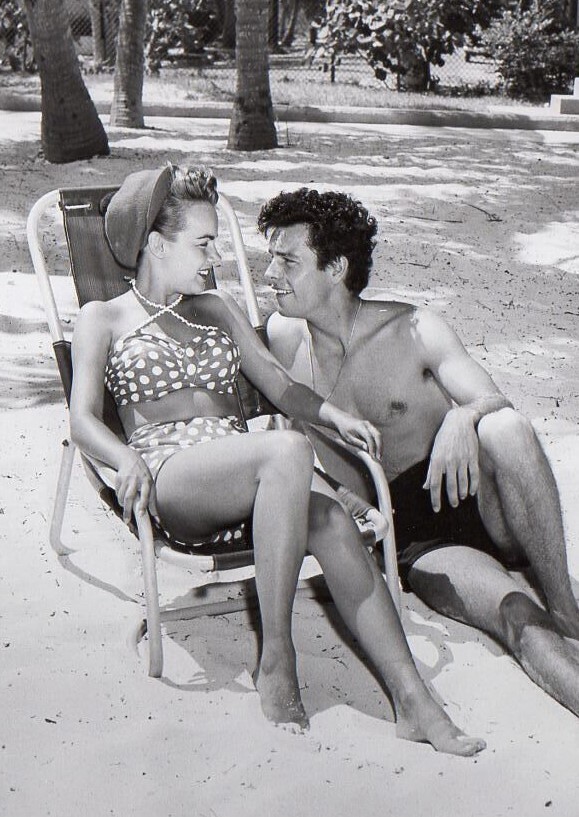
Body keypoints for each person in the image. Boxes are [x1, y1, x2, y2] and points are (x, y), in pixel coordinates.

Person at [69, 164, 484, 755]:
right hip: (171, 477)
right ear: (158, 246)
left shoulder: (216, 307)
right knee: (288, 450)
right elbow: (82, 419)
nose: (214, 256)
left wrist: (335, 417)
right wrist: (123, 458)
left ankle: (414, 700)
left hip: (257, 475)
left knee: (333, 520)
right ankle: (277, 655)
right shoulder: (103, 318)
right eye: (202, 243)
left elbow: (280, 387)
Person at [261, 186, 579, 718]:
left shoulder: (412, 329)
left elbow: (494, 398)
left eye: (287, 261)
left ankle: (566, 608)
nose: (270, 273)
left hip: (480, 495)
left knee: (504, 428)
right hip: (417, 534)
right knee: (518, 616)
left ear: (336, 268)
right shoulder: (280, 338)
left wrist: (462, 416)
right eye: (270, 257)